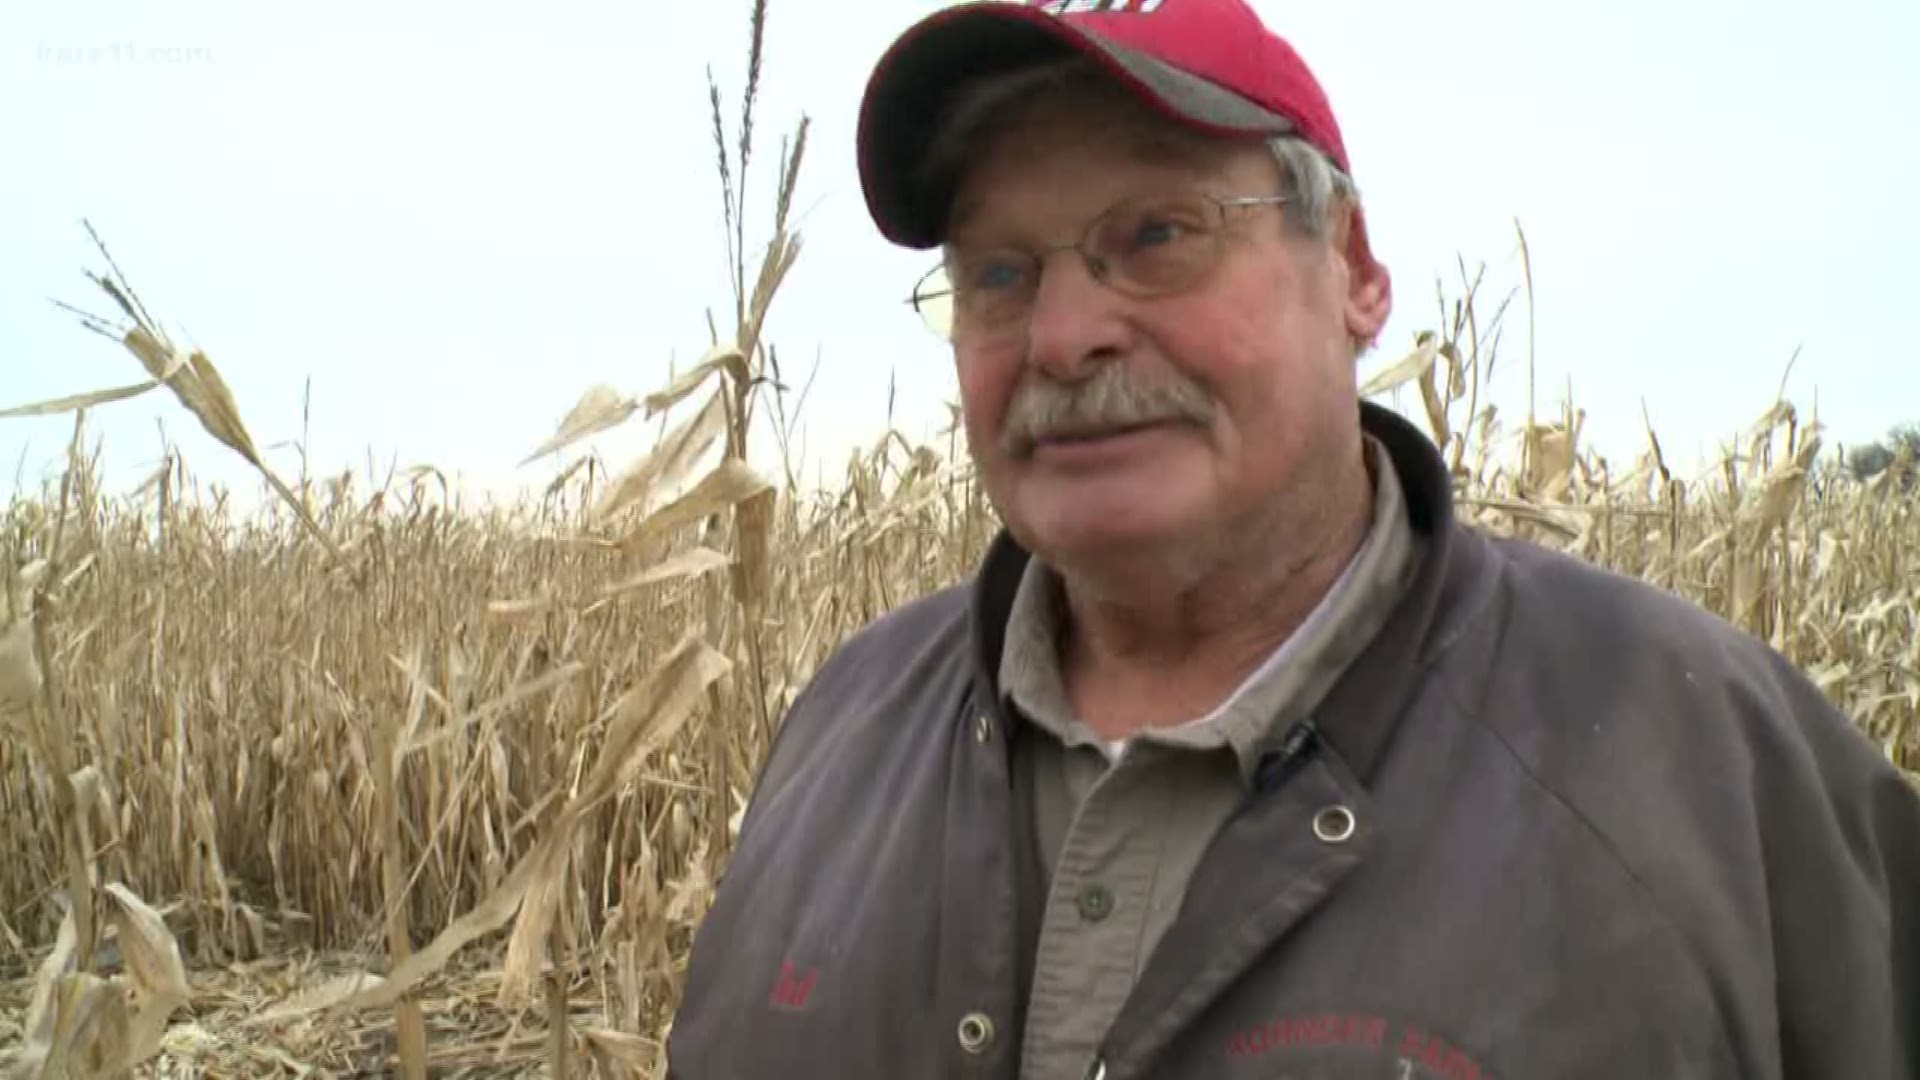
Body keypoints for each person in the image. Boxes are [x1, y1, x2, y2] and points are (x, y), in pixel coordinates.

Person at [665, 1, 1920, 1076]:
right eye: (999, 274)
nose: (1061, 336)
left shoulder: (1706, 766)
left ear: (1356, 272)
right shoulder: (845, 725)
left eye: (1155, 237)